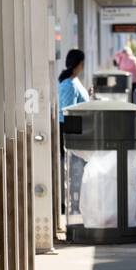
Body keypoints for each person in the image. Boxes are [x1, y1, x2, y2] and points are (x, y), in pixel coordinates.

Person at [57, 49, 90, 215]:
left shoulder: (73, 82)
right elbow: (67, 112)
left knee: (73, 170)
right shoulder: (69, 84)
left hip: (75, 132)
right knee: (70, 170)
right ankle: (69, 203)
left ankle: (73, 202)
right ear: (80, 64)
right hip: (70, 133)